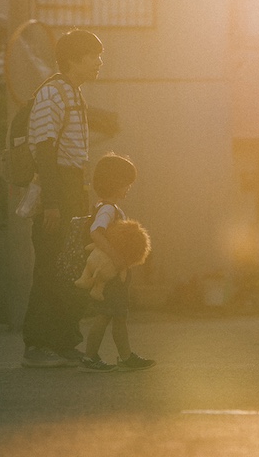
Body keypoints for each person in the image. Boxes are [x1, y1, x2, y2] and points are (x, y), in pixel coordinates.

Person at [21, 29, 104, 368]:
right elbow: (44, 149)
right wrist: (52, 203)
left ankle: (63, 341)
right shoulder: (53, 93)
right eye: (93, 55)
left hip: (73, 188)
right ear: (73, 60)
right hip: (58, 187)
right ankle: (37, 346)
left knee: (70, 266)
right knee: (50, 267)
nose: (99, 62)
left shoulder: (72, 92)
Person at [81, 152, 155, 372]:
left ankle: (125, 356)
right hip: (111, 273)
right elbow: (96, 232)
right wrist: (115, 257)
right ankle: (90, 356)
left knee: (118, 316)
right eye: (126, 183)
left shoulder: (109, 208)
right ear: (115, 183)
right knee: (105, 315)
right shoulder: (107, 209)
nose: (128, 188)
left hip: (116, 272)